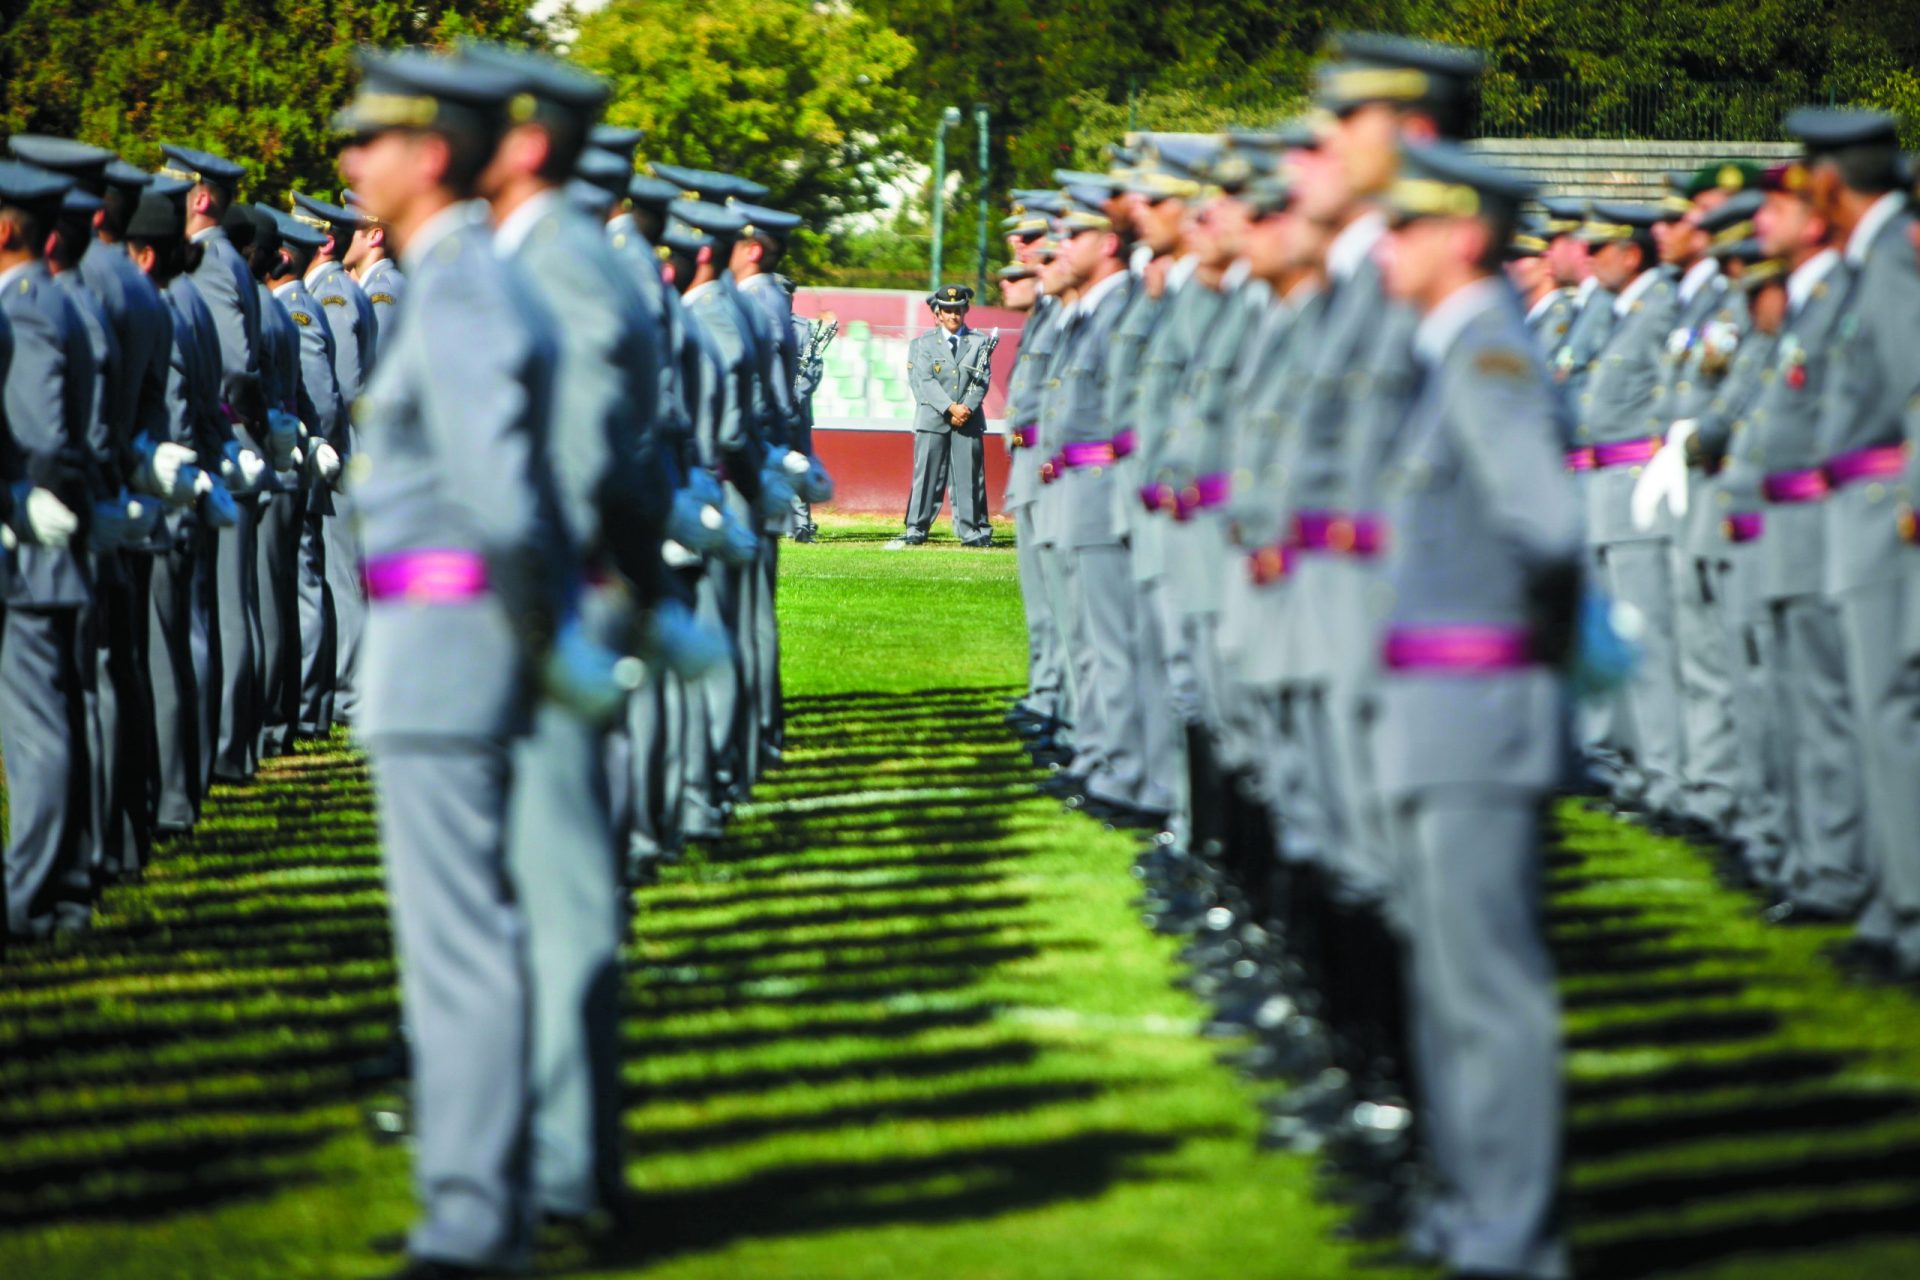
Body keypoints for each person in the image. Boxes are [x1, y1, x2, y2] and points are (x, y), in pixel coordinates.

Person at [335, 47, 574, 1279]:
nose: (348, 162)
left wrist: (534, 640)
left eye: (366, 140)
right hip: (440, 648)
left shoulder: (464, 285)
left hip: (451, 649)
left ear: (430, 153)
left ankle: (475, 1222)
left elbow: (500, 499)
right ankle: (472, 1205)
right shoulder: (450, 276)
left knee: (460, 949)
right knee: (457, 945)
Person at [1375, 136, 1578, 1280]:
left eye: (1405, 227)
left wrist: (1520, 651)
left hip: (1476, 698)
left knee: (1487, 991)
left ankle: (1515, 1234)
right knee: (1451, 986)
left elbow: (1546, 523)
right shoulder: (1450, 344)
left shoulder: (1487, 346)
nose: (1386, 247)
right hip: (1441, 703)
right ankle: (1477, 1214)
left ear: (1459, 233)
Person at [0, 159, 92, 940]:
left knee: (36, 728)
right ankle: (60, 886)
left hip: (33, 542)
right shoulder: (54, 299)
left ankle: (28, 892)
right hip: (48, 535)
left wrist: (22, 499)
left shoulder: (24, 306)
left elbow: (42, 438)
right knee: (54, 713)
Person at [900, 284, 994, 547]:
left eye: (957, 310)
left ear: (965, 310)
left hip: (968, 418)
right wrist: (950, 408)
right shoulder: (925, 343)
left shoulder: (979, 342)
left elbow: (982, 379)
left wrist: (965, 409)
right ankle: (916, 528)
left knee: (969, 477)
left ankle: (970, 531)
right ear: (938, 313)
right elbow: (925, 380)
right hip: (933, 418)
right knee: (927, 475)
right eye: (947, 311)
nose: (953, 316)